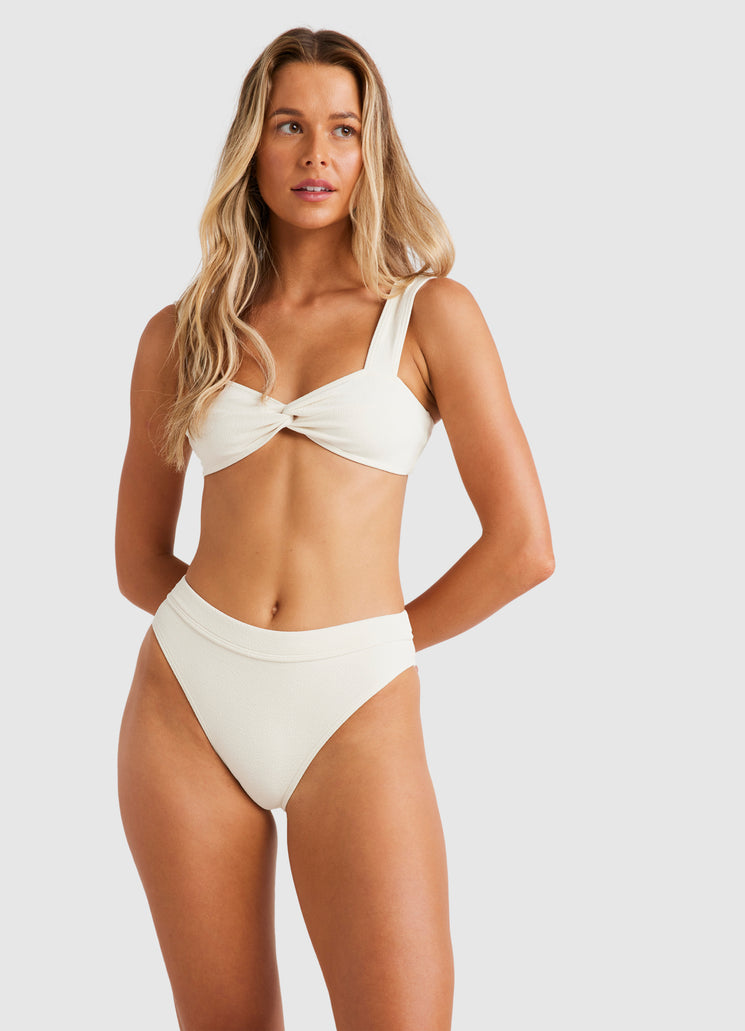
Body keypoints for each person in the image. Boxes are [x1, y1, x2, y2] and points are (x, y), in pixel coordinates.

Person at [115, 26, 554, 1031]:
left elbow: (523, 544)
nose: (316, 153)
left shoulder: (431, 315)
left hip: (355, 700)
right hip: (187, 705)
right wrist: (226, 640)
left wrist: (369, 644)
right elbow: (136, 558)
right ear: (252, 144)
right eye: (290, 126)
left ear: (371, 149)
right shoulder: (183, 333)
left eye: (343, 130)